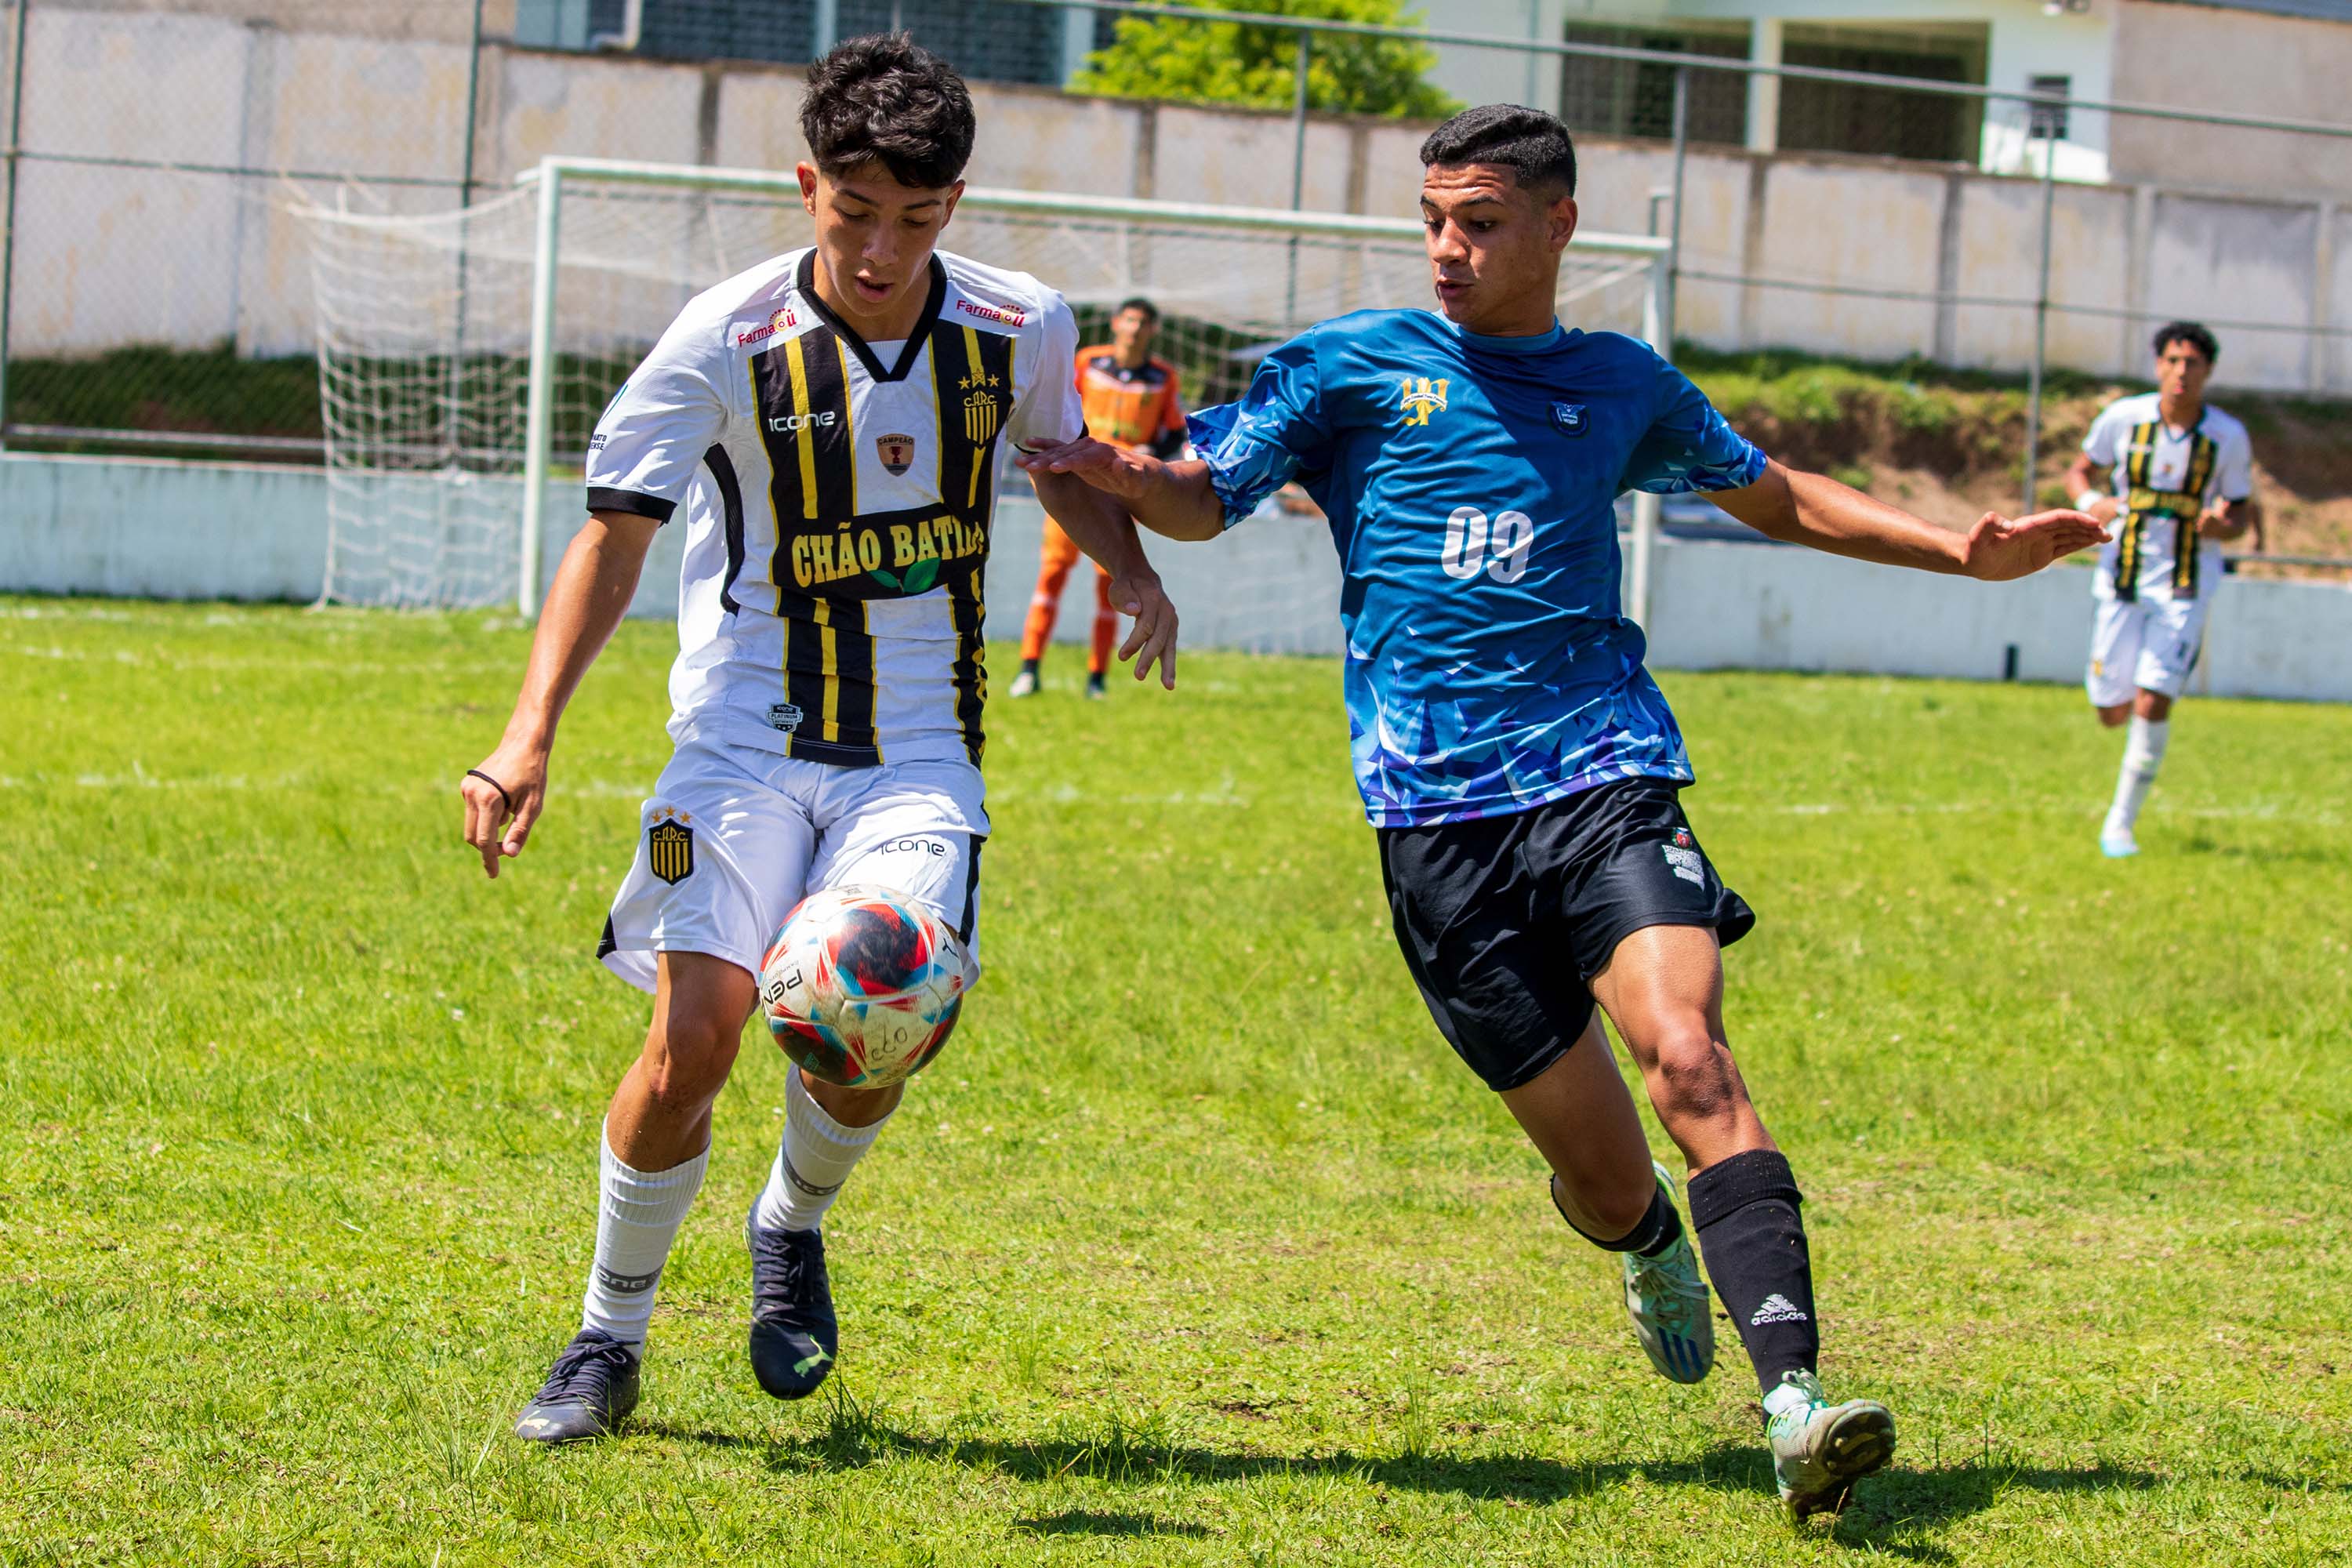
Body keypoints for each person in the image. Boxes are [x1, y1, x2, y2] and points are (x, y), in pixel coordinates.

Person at [1019, 103, 2106, 1520]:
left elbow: (1778, 498)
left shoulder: (1623, 383)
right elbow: (1200, 494)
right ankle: (1648, 1237)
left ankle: (1795, 1402)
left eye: (1477, 221)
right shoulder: (1356, 368)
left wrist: (1962, 549)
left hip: (1600, 774)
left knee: (1692, 1057)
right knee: (1603, 1183)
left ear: (1556, 226)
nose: (1448, 250)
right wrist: (1120, 475)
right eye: (1432, 221)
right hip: (1434, 828)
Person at [459, 34, 1178, 1445]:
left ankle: (789, 1224)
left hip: (917, 752)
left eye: (916, 220)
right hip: (725, 748)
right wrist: (526, 733)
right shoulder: (725, 340)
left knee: (880, 1027)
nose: (881, 249)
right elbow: (613, 537)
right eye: (856, 214)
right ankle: (608, 1342)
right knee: (694, 1045)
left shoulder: (1022, 326)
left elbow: (1063, 474)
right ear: (809, 188)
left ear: (953, 205)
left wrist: (1132, 568)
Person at [2062, 321, 2255, 858]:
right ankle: (2119, 717)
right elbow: (2079, 472)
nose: (2181, 372)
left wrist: (2224, 526)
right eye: (2173, 360)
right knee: (2110, 710)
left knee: (2153, 699)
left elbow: (2238, 511)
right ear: (2158, 365)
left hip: (2186, 586)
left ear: (2208, 372)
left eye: (2193, 363)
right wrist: (2089, 504)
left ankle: (2120, 825)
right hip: (2121, 578)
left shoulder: (2227, 436)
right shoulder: (2125, 419)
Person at [1011, 296, 1188, 699]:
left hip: (1121, 491)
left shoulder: (1163, 377)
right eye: (1129, 320)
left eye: (1144, 322)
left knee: (1113, 583)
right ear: (1115, 323)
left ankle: (1097, 678)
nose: (1135, 328)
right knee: (1051, 577)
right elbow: (1057, 404)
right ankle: (1029, 668)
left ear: (1153, 329)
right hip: (1074, 482)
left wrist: (1153, 454)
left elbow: (1174, 432)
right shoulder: (1088, 362)